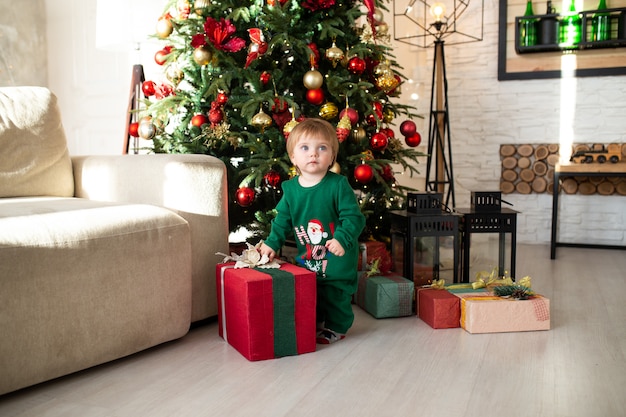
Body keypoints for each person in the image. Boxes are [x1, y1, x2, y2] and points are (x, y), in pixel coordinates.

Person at [259, 118, 365, 344]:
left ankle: (337, 326)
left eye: (322, 148)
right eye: (305, 148)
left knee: (335, 293)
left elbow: (354, 218)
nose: (313, 154)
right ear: (293, 157)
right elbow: (282, 222)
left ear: (331, 158)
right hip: (309, 257)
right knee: (311, 290)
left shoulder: (337, 185)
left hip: (337, 257)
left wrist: (341, 239)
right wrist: (271, 243)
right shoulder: (290, 189)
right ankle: (315, 320)